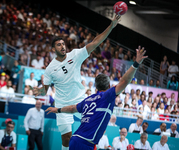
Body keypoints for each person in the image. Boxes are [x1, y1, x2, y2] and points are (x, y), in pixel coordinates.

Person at [34, 15, 122, 150]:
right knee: (66, 138)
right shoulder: (49, 69)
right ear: (53, 49)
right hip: (62, 103)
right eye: (59, 45)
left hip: (81, 100)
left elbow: (95, 43)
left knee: (93, 130)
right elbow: (44, 90)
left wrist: (111, 26)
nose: (62, 46)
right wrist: (37, 91)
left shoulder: (74, 55)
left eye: (63, 43)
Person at [45, 45, 147, 150]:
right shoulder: (107, 96)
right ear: (108, 87)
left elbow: (71, 109)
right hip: (85, 143)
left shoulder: (88, 100)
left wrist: (58, 110)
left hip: (76, 139)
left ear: (96, 87)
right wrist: (136, 63)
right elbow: (124, 81)